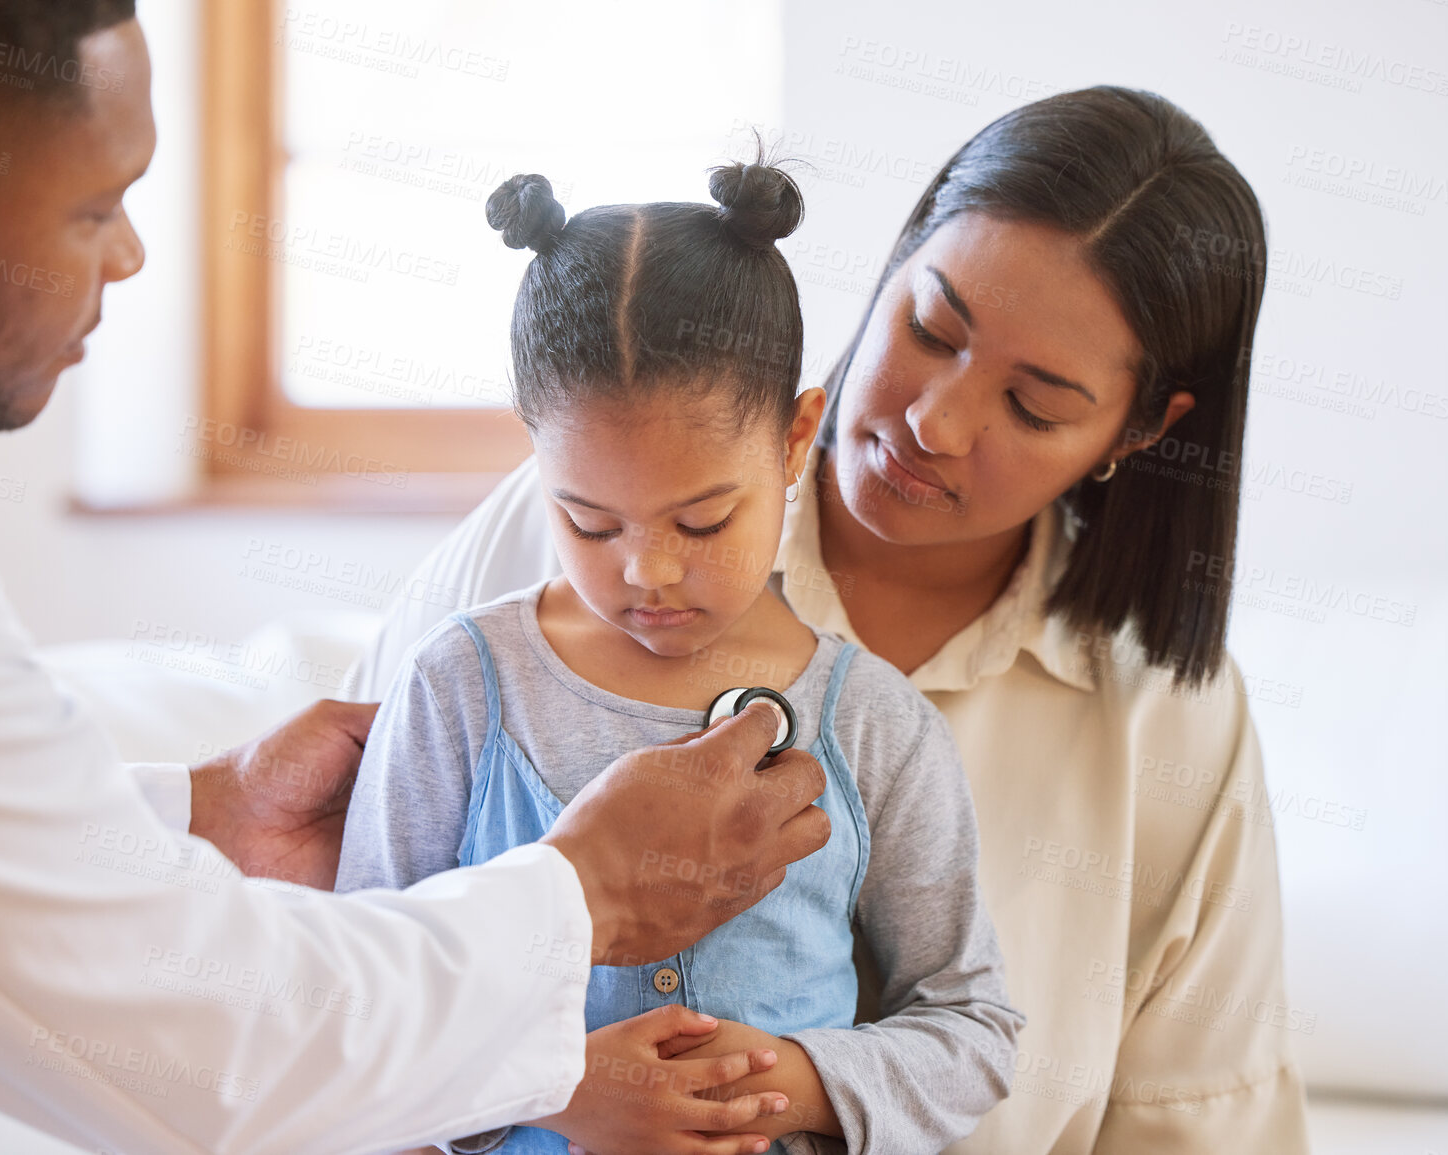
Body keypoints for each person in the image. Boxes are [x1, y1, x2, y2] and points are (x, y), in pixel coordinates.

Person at [0, 3, 834, 1151]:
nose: (132, 256)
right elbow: (215, 1052)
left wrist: (205, 813)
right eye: (95, 208)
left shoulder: (860, 707)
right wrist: (584, 895)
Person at [348, 87, 1312, 1154]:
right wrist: (541, 1084)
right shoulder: (528, 578)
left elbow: (1193, 1119)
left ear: (1139, 429)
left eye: (1034, 405)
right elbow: (327, 988)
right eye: (930, 326)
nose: (932, 424)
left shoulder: (1166, 721)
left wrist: (778, 1082)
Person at [337, 166, 1022, 1155]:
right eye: (589, 520)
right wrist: (552, 1093)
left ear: (795, 439)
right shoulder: (461, 691)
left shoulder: (874, 725)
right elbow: (356, 1001)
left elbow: (974, 1031)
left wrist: (774, 1084)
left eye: (703, 519)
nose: (648, 572)